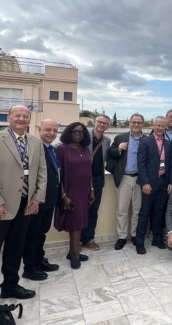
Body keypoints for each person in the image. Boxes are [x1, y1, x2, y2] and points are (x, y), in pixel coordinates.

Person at [0, 106, 46, 299]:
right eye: (17, 115)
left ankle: (10, 286)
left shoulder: (36, 142)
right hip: (3, 205)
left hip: (26, 204)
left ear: (30, 119)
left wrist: (37, 198)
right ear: (9, 117)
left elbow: (42, 173)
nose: (21, 119)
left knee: (15, 247)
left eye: (25, 116)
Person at [22, 119, 60, 281]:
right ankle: (30, 267)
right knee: (32, 234)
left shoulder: (51, 149)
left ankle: (39, 260)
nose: (51, 133)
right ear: (39, 129)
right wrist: (35, 198)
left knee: (41, 233)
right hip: (37, 200)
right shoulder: (33, 147)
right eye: (48, 130)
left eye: (54, 130)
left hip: (49, 199)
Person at [54, 122, 95, 269]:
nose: (78, 134)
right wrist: (63, 195)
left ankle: (72, 251)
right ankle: (75, 254)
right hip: (70, 191)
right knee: (75, 223)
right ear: (69, 133)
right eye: (75, 132)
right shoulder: (62, 149)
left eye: (81, 132)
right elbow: (58, 174)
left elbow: (88, 171)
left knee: (80, 221)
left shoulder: (84, 149)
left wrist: (91, 190)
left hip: (84, 191)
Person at [135, 116, 172, 254]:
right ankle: (139, 241)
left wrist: (170, 182)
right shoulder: (145, 141)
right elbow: (141, 163)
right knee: (145, 212)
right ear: (153, 125)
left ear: (165, 128)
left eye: (163, 126)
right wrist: (145, 182)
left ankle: (157, 238)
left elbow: (171, 164)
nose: (160, 128)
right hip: (149, 183)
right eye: (158, 125)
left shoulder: (168, 143)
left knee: (159, 211)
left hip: (163, 182)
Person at [108, 113, 145, 250]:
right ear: (129, 123)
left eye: (139, 122)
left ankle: (135, 235)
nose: (136, 124)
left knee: (137, 209)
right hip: (124, 177)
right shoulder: (120, 137)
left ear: (143, 125)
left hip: (140, 179)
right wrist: (118, 149)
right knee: (122, 209)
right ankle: (122, 237)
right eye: (133, 122)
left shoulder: (147, 139)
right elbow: (110, 152)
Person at [81, 114, 110, 251]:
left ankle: (88, 239)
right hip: (81, 179)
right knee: (79, 210)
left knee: (93, 210)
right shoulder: (82, 136)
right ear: (94, 122)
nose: (102, 125)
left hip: (98, 179)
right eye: (100, 122)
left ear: (108, 126)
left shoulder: (107, 140)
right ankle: (76, 240)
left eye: (105, 123)